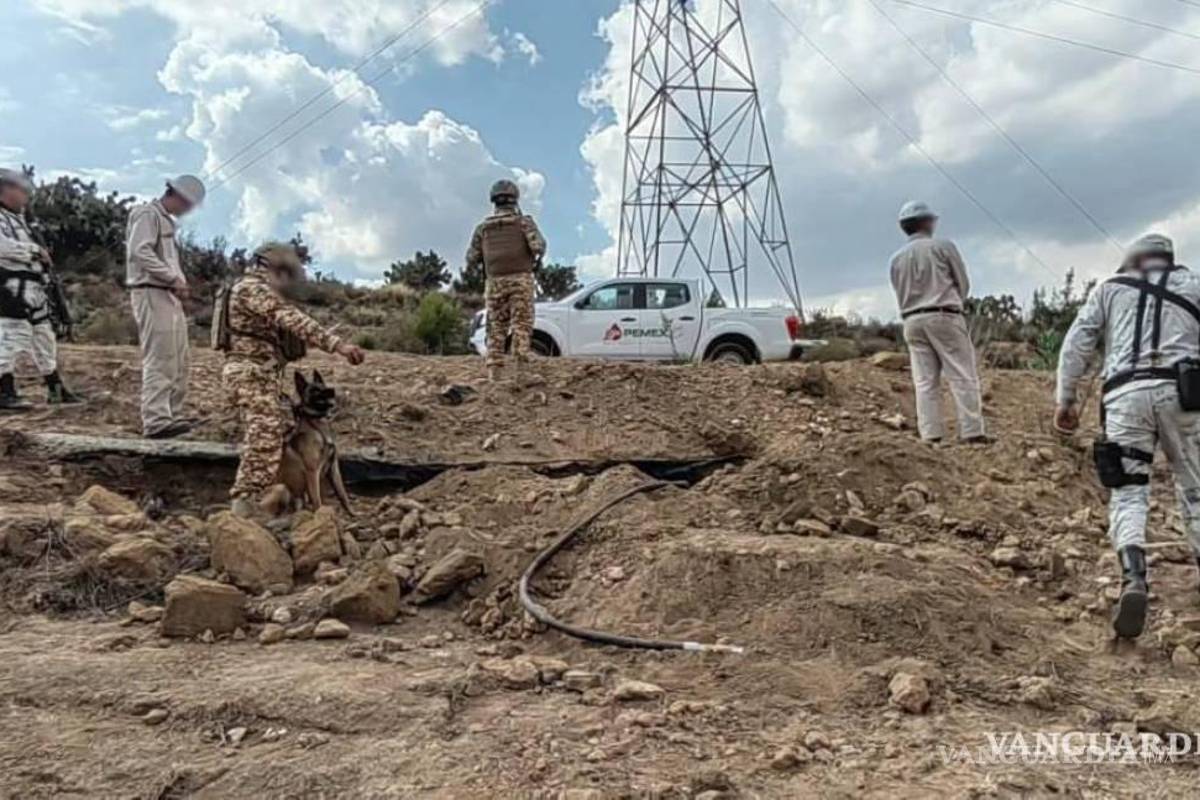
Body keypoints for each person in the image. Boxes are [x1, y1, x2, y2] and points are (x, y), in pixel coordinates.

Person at [1056, 233, 1200, 639]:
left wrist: (1066, 401)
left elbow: (1076, 343)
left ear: (1132, 261)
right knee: (1194, 487)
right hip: (1185, 395)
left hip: (1123, 397)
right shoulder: (1194, 284)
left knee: (1129, 491)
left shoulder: (1109, 289)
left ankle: (1134, 578)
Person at [222, 242, 364, 518]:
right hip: (249, 374)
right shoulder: (251, 288)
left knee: (280, 429)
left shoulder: (255, 291)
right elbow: (290, 318)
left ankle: (275, 498)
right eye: (285, 274)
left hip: (262, 375)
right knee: (264, 434)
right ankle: (243, 506)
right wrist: (337, 345)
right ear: (272, 268)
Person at [889, 201, 986, 443]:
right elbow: (962, 282)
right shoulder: (943, 247)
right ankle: (972, 431)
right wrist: (955, 303)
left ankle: (931, 434)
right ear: (927, 222)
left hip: (911, 319)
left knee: (924, 381)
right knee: (962, 374)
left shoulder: (896, 258)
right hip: (944, 313)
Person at [125, 174, 205, 439]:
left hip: (166, 293)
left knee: (179, 358)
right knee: (161, 358)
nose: (189, 211)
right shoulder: (147, 214)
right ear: (179, 196)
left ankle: (171, 413)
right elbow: (140, 251)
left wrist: (177, 282)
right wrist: (171, 278)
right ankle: (156, 419)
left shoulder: (164, 221)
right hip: (151, 291)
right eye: (189, 205)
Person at [0, 168, 82, 411]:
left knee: (44, 336)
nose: (26, 195)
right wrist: (35, 252)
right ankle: (4, 392)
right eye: (21, 189)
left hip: (34, 286)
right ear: (6, 189)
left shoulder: (20, 219)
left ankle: (56, 390)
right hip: (9, 285)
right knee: (10, 336)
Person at [465, 179, 546, 380]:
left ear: (494, 201)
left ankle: (494, 372)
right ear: (514, 199)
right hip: (520, 280)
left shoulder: (483, 228)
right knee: (521, 325)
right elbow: (539, 247)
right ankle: (521, 373)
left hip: (494, 283)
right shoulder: (524, 223)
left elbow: (471, 258)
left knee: (496, 326)